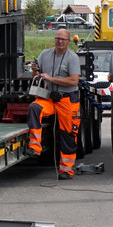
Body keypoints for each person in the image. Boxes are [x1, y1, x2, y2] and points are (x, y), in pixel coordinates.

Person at [27, 28, 81, 178]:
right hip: (50, 97)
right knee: (34, 107)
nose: (59, 41)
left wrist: (51, 79)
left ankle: (66, 170)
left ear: (68, 42)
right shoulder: (45, 54)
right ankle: (34, 147)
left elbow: (74, 81)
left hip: (67, 99)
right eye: (57, 38)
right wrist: (35, 71)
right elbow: (36, 74)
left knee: (68, 134)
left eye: (63, 39)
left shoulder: (72, 57)